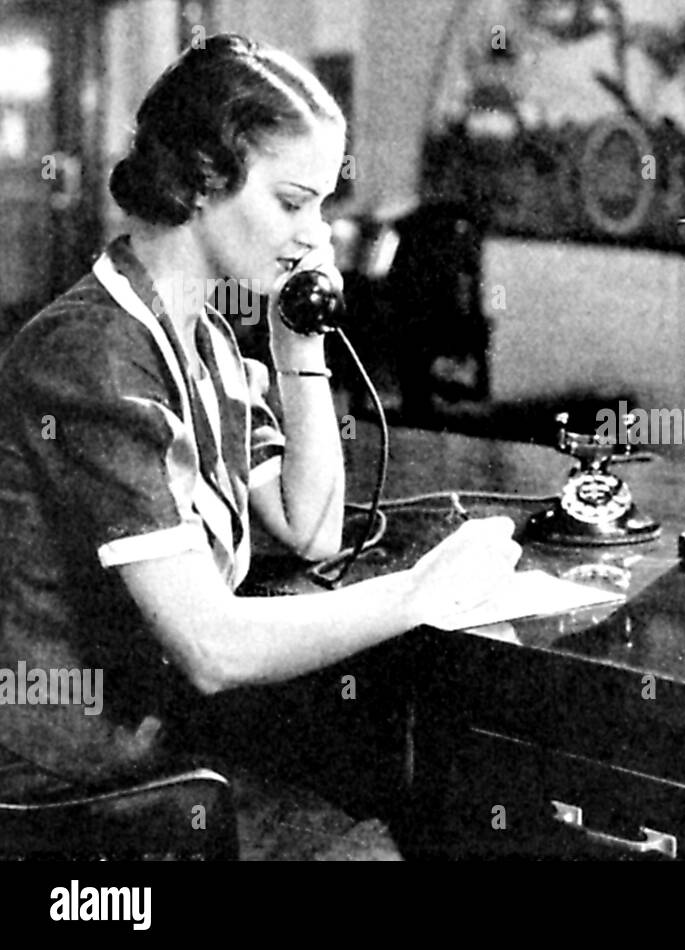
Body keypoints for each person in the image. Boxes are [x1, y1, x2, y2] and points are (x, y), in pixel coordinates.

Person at [0, 35, 521, 798]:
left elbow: (310, 525)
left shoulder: (200, 333)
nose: (316, 235)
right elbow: (209, 647)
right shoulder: (89, 355)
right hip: (73, 781)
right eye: (292, 202)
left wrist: (295, 343)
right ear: (204, 182)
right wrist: (419, 591)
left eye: (322, 205)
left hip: (164, 741)